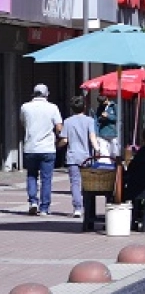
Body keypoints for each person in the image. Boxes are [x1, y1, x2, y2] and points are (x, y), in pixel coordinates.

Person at [20, 84, 63, 216]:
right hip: (47, 148)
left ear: (34, 94)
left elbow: (23, 122)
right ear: (46, 94)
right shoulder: (52, 107)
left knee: (31, 175)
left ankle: (33, 201)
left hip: (30, 147)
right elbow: (59, 127)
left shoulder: (25, 107)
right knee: (46, 178)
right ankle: (44, 208)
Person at [63, 96, 98, 219]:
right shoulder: (89, 121)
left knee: (74, 183)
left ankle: (77, 208)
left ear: (72, 108)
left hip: (72, 156)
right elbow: (92, 137)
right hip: (86, 157)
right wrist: (97, 149)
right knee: (87, 183)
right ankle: (88, 207)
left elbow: (65, 140)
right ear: (84, 107)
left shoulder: (67, 122)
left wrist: (57, 145)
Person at [94, 94, 118, 161]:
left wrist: (108, 116)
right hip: (102, 133)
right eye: (101, 103)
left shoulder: (114, 106)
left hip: (112, 133)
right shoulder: (100, 108)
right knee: (104, 155)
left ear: (107, 99)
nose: (103, 104)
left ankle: (114, 168)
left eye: (104, 102)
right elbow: (97, 119)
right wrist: (101, 118)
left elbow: (117, 118)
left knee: (114, 153)